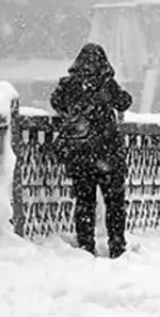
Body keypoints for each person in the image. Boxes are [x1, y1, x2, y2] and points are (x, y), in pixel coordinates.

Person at [50, 43, 133, 258]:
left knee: (84, 203)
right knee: (114, 203)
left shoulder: (68, 85)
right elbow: (124, 103)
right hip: (108, 154)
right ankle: (117, 245)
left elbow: (56, 102)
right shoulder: (106, 84)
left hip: (80, 155)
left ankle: (86, 246)